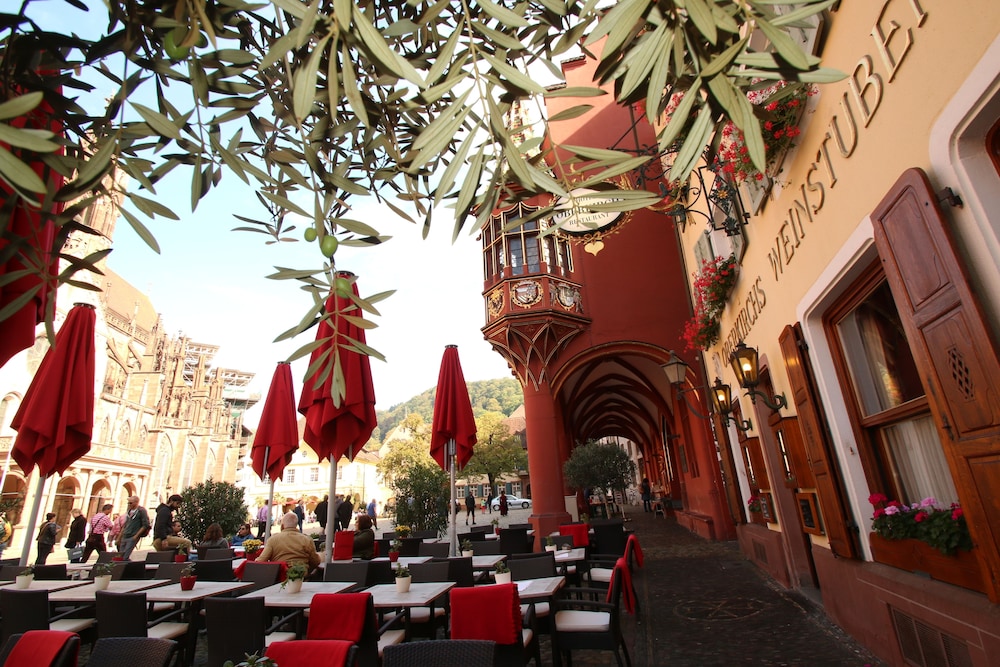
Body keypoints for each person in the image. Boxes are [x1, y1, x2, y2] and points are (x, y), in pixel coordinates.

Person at [119, 495, 151, 560]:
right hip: (125, 535)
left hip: (133, 535)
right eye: (128, 503)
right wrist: (119, 537)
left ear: (136, 502)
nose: (129, 504)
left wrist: (136, 536)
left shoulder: (141, 511)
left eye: (131, 503)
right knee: (120, 555)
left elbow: (145, 525)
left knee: (125, 555)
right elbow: (126, 524)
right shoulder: (129, 511)